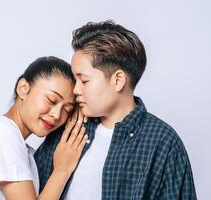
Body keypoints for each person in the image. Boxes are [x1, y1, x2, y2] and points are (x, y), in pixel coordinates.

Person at [34, 21, 197, 199]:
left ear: (118, 80)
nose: (75, 90)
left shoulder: (163, 142)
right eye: (75, 79)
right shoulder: (68, 128)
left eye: (84, 81)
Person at [0, 56, 89, 200]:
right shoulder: (4, 134)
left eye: (67, 109)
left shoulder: (12, 139)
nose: (57, 114)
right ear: (23, 88)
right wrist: (62, 170)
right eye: (51, 100)